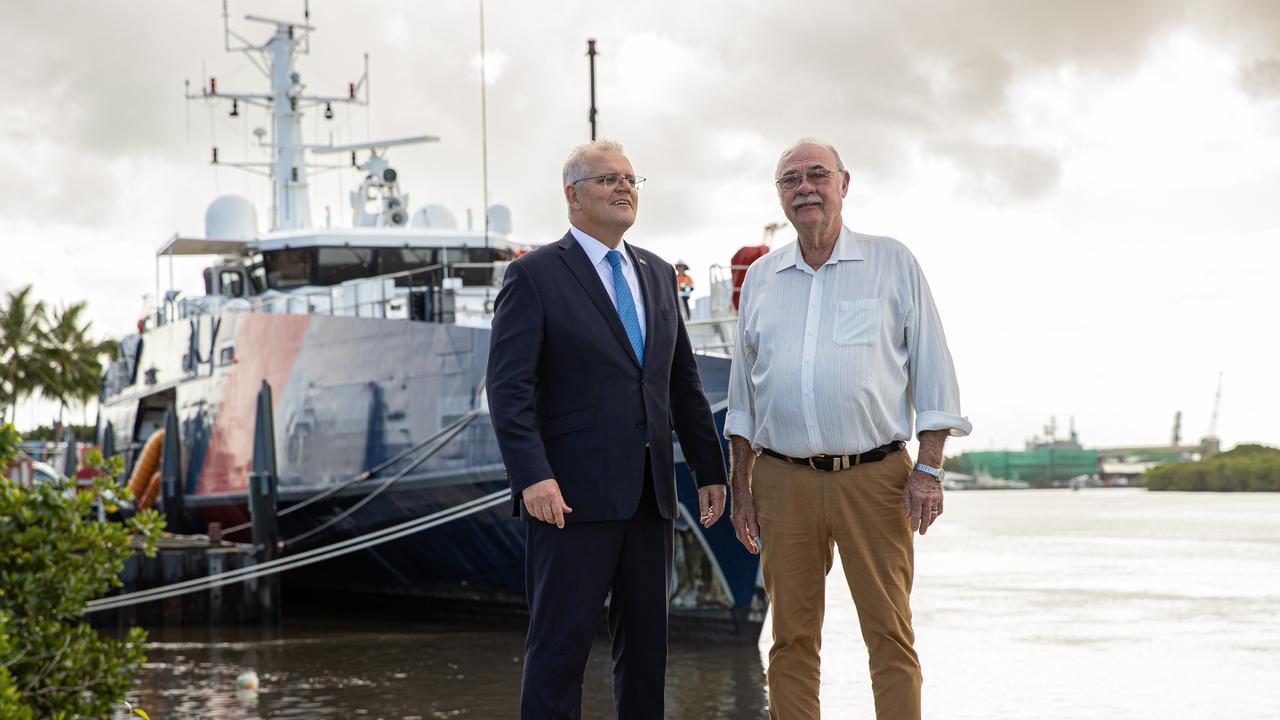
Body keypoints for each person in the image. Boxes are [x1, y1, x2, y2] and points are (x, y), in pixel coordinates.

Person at [725, 139, 971, 720]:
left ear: (844, 184)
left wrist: (929, 471)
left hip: (877, 478)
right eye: (790, 179)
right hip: (782, 480)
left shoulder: (892, 262)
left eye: (817, 175)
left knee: (888, 633)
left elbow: (935, 375)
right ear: (780, 194)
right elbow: (742, 398)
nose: (804, 187)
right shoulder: (761, 278)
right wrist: (742, 489)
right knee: (790, 641)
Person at [487, 139, 728, 720]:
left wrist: (709, 469)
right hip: (568, 500)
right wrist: (533, 478)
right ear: (573, 195)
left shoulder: (658, 273)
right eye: (607, 180)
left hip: (650, 498)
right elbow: (508, 389)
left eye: (630, 179)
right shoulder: (534, 275)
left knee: (647, 654)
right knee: (559, 651)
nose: (624, 187)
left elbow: (681, 383)